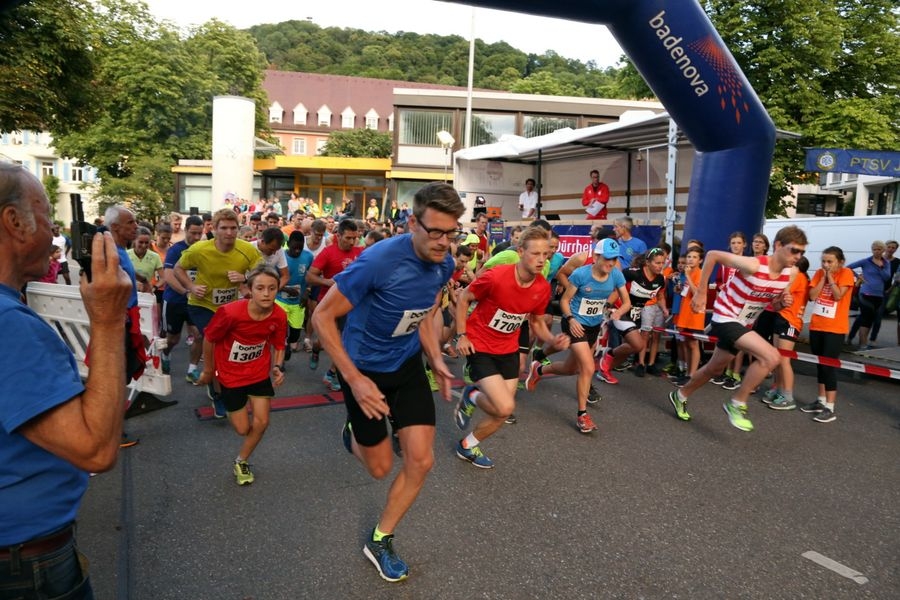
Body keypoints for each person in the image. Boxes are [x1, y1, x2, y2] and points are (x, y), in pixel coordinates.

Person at [311, 181, 464, 582]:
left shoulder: (443, 263)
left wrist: (434, 356)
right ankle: (354, 434)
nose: (444, 242)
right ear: (412, 223)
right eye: (435, 232)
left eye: (452, 233)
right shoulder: (378, 262)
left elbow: (426, 312)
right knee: (379, 469)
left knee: (421, 460)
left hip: (408, 365)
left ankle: (381, 538)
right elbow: (322, 318)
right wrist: (355, 381)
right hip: (364, 371)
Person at [0, 164, 132, 598]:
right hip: (25, 562)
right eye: (45, 215)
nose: (53, 230)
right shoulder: (9, 326)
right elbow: (94, 448)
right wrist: (110, 320)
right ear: (14, 223)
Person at [667, 226, 808, 432]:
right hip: (725, 317)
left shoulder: (791, 274)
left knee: (714, 368)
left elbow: (774, 304)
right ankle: (737, 403)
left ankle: (679, 395)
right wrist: (702, 293)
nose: (798, 256)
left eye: (802, 253)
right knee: (771, 357)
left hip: (743, 323)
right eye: (794, 250)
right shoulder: (753, 264)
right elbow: (713, 255)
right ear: (778, 246)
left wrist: (781, 303)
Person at [454, 227, 569, 465]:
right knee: (505, 405)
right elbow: (464, 298)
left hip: (508, 348)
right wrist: (461, 335)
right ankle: (474, 395)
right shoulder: (496, 276)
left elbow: (536, 322)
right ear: (520, 252)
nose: (541, 259)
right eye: (534, 253)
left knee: (503, 411)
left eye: (545, 254)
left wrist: (550, 339)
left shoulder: (541, 288)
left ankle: (468, 443)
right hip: (480, 344)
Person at [195, 265, 287, 484]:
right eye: (261, 288)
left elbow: (278, 344)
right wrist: (209, 371)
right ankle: (218, 393)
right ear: (250, 290)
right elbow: (209, 338)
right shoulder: (230, 313)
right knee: (243, 429)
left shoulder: (279, 315)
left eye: (272, 288)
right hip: (230, 376)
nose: (266, 294)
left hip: (258, 374)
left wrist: (277, 366)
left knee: (262, 422)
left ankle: (241, 461)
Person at [525, 238, 621, 433]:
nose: (611, 263)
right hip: (575, 322)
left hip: (593, 324)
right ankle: (582, 415)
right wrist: (575, 297)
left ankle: (539, 370)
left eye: (614, 258)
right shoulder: (580, 264)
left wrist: (608, 306)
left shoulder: (615, 271)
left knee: (571, 368)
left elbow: (620, 296)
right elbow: (563, 280)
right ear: (596, 255)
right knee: (587, 367)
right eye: (607, 258)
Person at [173, 208, 263, 416]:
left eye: (233, 228)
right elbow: (178, 268)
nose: (229, 233)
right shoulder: (200, 249)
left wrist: (245, 278)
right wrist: (191, 287)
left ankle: (226, 383)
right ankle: (218, 393)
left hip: (229, 308)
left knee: (231, 347)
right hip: (202, 304)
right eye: (224, 228)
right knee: (218, 343)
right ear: (214, 229)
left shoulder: (246, 250)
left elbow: (262, 272)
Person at [306, 218, 363, 387]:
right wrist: (329, 282)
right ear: (338, 236)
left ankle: (331, 374)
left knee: (344, 342)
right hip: (328, 303)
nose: (352, 242)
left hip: (350, 303)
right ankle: (316, 348)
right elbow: (310, 277)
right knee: (324, 342)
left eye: (355, 238)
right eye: (348, 238)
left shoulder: (360, 252)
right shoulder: (327, 253)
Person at [804, 246, 854, 422]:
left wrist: (830, 277)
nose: (826, 265)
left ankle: (830, 407)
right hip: (817, 325)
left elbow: (838, 295)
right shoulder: (819, 273)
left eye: (830, 262)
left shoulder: (846, 273)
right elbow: (811, 296)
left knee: (828, 366)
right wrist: (822, 278)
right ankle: (821, 400)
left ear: (840, 262)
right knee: (818, 364)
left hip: (835, 328)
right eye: (824, 261)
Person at [760, 256, 809, 411]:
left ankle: (787, 396)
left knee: (784, 360)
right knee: (777, 358)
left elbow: (781, 291)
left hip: (791, 322)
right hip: (781, 318)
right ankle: (777, 388)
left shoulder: (798, 277)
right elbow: (776, 301)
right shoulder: (790, 277)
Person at [161, 215, 205, 377]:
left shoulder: (203, 250)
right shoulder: (175, 250)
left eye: (199, 234)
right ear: (185, 230)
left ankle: (192, 370)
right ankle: (165, 354)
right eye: (193, 233)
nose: (196, 237)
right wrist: (186, 291)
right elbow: (169, 276)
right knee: (173, 339)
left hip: (195, 301)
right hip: (175, 300)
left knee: (199, 335)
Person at [847, 240, 892, 350]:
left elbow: (887, 277)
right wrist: (858, 277)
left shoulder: (886, 263)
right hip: (866, 293)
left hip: (878, 295)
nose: (876, 251)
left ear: (883, 250)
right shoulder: (866, 261)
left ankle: (854, 339)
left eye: (879, 249)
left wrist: (880, 268)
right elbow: (848, 267)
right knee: (866, 318)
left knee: (870, 318)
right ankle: (863, 344)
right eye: (874, 249)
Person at [276, 231, 314, 360]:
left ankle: (288, 341)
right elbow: (273, 280)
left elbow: (312, 276)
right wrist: (286, 289)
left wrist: (307, 291)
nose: (297, 251)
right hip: (280, 300)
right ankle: (281, 356)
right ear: (288, 244)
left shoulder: (308, 257)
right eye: (294, 248)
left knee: (295, 334)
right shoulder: (280, 257)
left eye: (300, 248)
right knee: (281, 331)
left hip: (298, 302)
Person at [127, 226, 163, 294]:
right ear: (134, 240)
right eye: (141, 242)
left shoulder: (155, 256)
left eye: (146, 243)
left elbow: (163, 278)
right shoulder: (126, 254)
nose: (144, 245)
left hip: (145, 294)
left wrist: (154, 287)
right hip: (127, 293)